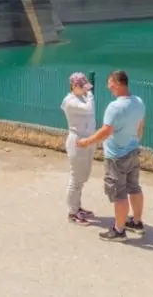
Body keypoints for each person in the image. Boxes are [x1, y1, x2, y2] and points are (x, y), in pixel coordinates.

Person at [77, 70, 146, 242]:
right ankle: (137, 222)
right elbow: (140, 125)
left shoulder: (114, 107)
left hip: (116, 156)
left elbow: (105, 131)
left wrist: (87, 142)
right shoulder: (138, 102)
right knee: (134, 187)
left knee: (119, 193)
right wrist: (135, 141)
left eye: (109, 83)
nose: (108, 87)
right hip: (132, 151)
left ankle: (119, 230)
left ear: (116, 83)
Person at [61, 71, 96, 225]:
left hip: (88, 140)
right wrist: (91, 95)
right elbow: (89, 109)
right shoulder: (70, 101)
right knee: (76, 177)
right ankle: (72, 212)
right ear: (74, 86)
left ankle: (78, 206)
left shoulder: (81, 97)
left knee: (84, 175)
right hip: (77, 141)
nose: (86, 90)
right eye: (83, 87)